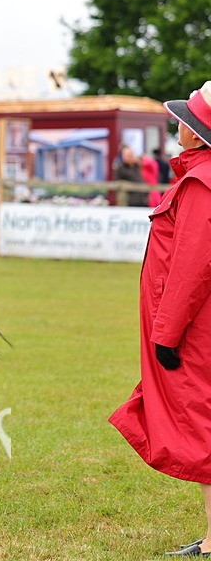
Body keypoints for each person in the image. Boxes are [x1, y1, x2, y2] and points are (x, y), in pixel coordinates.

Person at [110, 81, 211, 557]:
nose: (180, 125)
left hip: (194, 334)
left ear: (200, 135)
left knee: (201, 429)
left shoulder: (201, 183)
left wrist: (166, 334)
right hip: (195, 328)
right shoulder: (198, 178)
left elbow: (192, 267)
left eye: (188, 120)